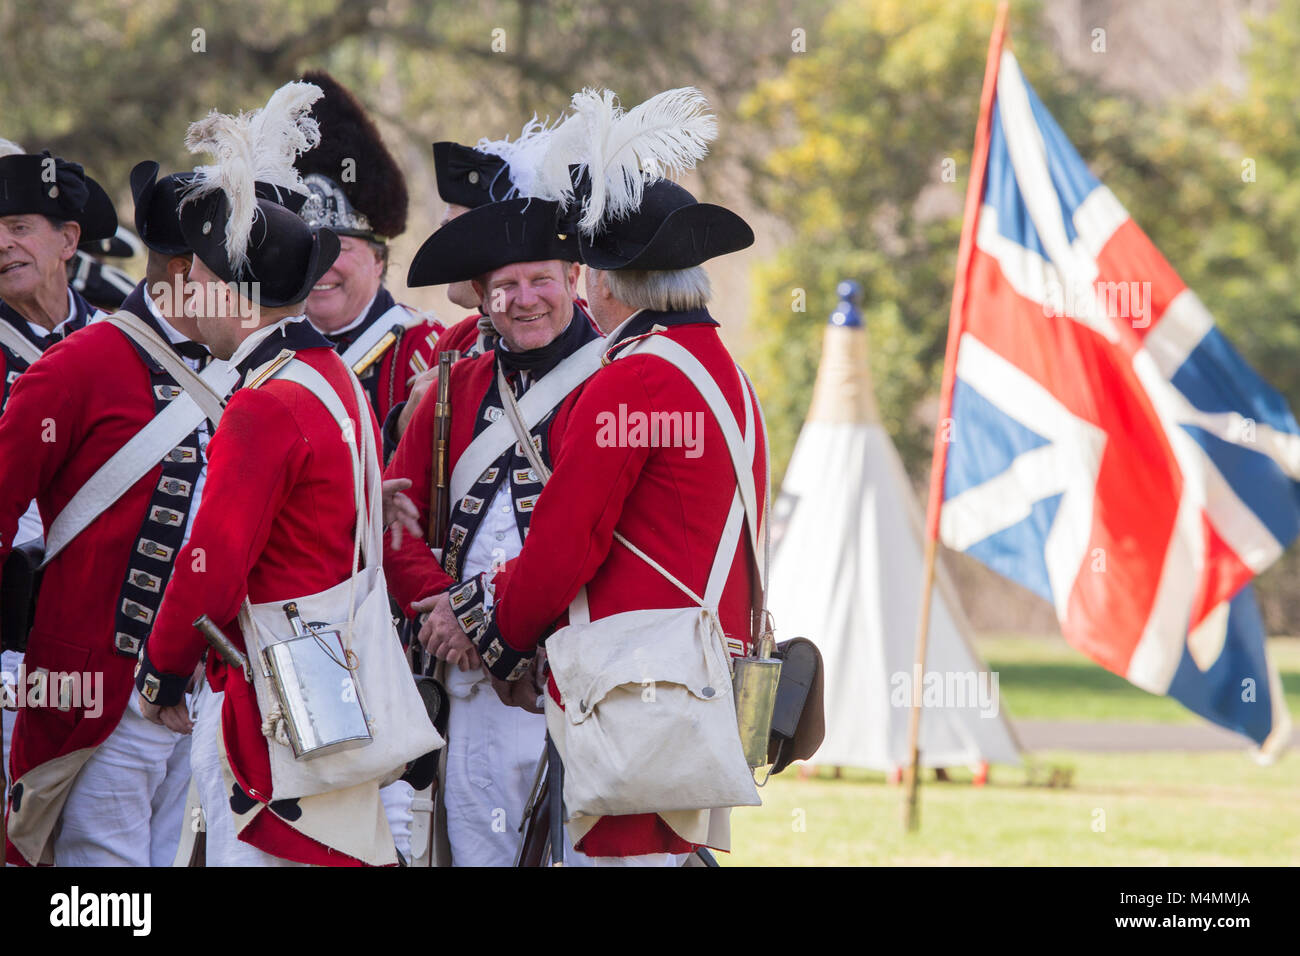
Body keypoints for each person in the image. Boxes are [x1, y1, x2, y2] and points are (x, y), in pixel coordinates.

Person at [462, 167, 765, 865]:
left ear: (604, 279)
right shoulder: (725, 373)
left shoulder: (633, 378)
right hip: (696, 689)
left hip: (629, 698)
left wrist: (502, 634)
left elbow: (566, 547)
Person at [133, 81, 396, 867]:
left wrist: (164, 673)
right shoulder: (332, 375)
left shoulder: (267, 401)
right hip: (332, 674)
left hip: (274, 699)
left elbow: (210, 564)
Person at [0, 158, 228, 866]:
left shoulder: (230, 359)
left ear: (69, 240)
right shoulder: (79, 365)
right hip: (77, 667)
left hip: (194, 676)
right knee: (100, 881)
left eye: (16, 226)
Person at [382, 189, 603, 866]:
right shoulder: (455, 387)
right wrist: (453, 616)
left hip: (573, 675)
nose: (525, 298)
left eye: (541, 278)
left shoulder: (610, 382)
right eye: (506, 285)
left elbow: (593, 539)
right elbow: (397, 525)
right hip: (468, 681)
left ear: (574, 278)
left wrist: (480, 618)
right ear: (481, 296)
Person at [0, 138, 117, 818]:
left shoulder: (128, 343)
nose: (4, 245)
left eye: (18, 228)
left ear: (68, 238)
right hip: (11, 644)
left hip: (115, 643)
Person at [294, 71, 444, 437]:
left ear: (379, 259)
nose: (320, 266)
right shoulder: (265, 344)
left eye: (339, 248)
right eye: (307, 248)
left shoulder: (425, 347)